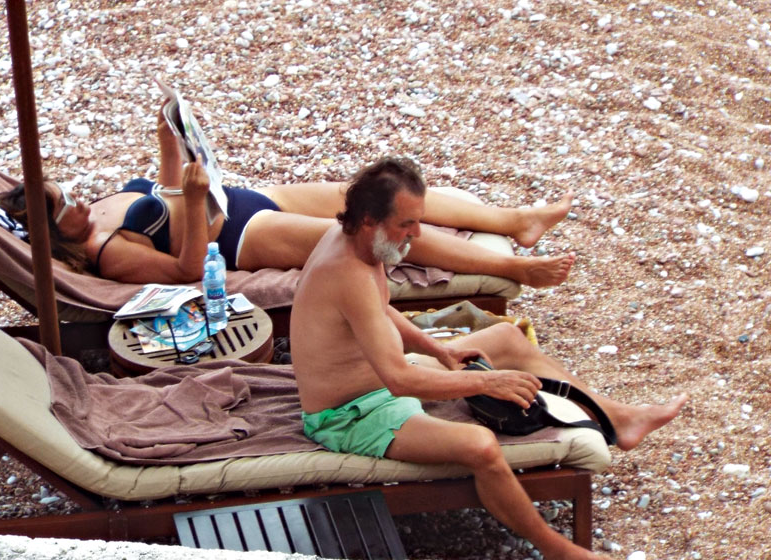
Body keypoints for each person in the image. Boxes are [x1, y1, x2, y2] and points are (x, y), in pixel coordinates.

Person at [288, 158, 688, 560]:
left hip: (379, 381)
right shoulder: (348, 273)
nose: (417, 234)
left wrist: (439, 349)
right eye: (406, 224)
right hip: (350, 415)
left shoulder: (355, 241)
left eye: (418, 221)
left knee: (506, 338)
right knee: (480, 446)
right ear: (369, 219)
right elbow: (400, 379)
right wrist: (486, 381)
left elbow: (378, 311)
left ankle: (618, 418)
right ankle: (560, 552)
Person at [0, 101, 576, 286]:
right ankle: (515, 268)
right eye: (63, 208)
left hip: (242, 198)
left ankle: (515, 221)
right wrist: (194, 203)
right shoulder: (108, 253)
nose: (77, 202)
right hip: (244, 237)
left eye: (66, 193)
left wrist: (168, 134)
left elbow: (163, 190)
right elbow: (187, 270)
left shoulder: (94, 213)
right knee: (376, 231)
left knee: (373, 191)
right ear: (50, 236)